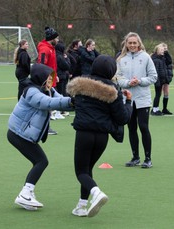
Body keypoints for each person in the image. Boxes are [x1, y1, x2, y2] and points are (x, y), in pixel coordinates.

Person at [66, 55, 132, 217]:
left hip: (84, 134)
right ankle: (81, 206)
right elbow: (122, 118)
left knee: (81, 171)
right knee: (87, 170)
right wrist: (128, 102)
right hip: (102, 137)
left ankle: (96, 193)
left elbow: (72, 101)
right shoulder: (113, 91)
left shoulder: (79, 85)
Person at [8, 63, 73, 211]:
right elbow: (47, 103)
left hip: (23, 134)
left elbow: (60, 100)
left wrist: (77, 102)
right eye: (48, 80)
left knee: (40, 161)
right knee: (41, 161)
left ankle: (27, 194)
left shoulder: (48, 90)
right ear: (40, 78)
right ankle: (25, 194)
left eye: (52, 79)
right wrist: (71, 102)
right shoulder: (31, 91)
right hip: (17, 134)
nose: (51, 82)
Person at [115, 32, 157, 168]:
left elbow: (153, 76)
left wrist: (139, 81)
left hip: (142, 98)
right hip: (127, 99)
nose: (132, 45)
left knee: (144, 127)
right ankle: (135, 157)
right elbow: (117, 78)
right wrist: (127, 83)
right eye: (130, 43)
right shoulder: (121, 59)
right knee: (131, 128)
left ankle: (148, 158)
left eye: (135, 43)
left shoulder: (145, 57)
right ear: (126, 44)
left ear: (139, 43)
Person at [37, 26, 60, 135]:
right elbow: (41, 65)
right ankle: (45, 128)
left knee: (49, 105)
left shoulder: (51, 48)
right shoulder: (45, 49)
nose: (58, 40)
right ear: (52, 38)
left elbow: (51, 65)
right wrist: (45, 80)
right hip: (46, 82)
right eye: (57, 38)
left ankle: (45, 127)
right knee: (47, 105)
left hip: (50, 80)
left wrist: (56, 75)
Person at [151, 43, 169, 116]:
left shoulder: (162, 59)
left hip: (162, 80)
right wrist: (157, 81)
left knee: (159, 94)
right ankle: (155, 109)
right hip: (158, 81)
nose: (163, 51)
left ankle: (156, 109)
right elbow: (156, 72)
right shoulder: (156, 60)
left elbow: (168, 62)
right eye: (161, 50)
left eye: (163, 50)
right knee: (157, 95)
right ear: (157, 51)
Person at [55, 41, 72, 117]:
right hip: (61, 76)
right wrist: (67, 59)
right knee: (60, 94)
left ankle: (59, 111)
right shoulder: (60, 56)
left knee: (58, 93)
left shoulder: (56, 55)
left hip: (59, 76)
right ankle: (58, 112)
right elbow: (67, 66)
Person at [161, 43, 173, 115]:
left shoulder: (167, 56)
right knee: (159, 93)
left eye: (166, 49)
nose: (165, 50)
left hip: (167, 76)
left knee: (166, 92)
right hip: (161, 76)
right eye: (163, 49)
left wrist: (170, 76)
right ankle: (155, 108)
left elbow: (169, 62)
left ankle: (164, 108)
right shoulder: (158, 56)